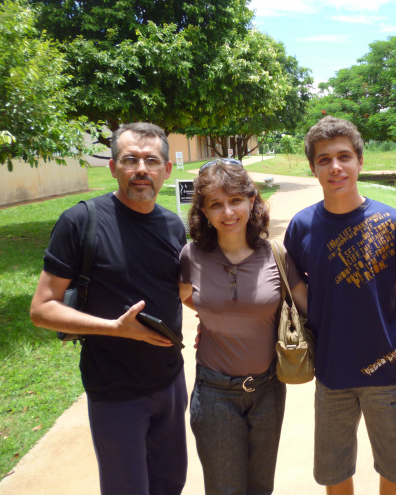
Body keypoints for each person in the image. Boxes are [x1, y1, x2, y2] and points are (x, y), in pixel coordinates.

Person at [30, 123, 188, 495]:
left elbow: (182, 291)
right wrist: (115, 328)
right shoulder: (81, 221)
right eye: (130, 159)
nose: (141, 170)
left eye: (151, 160)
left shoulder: (172, 225)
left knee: (170, 483)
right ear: (113, 166)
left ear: (166, 170)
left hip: (170, 381)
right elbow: (42, 309)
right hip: (115, 390)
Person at [284, 116, 396, 495]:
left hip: (388, 370)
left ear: (360, 162)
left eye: (344, 156)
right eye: (324, 159)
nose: (335, 167)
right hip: (332, 373)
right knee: (334, 473)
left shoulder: (392, 222)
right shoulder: (302, 226)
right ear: (313, 168)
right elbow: (294, 285)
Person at [179, 159, 308, 495]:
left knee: (261, 486)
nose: (228, 212)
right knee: (225, 488)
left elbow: (311, 308)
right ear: (204, 212)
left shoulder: (276, 255)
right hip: (215, 392)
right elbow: (185, 297)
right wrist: (214, 319)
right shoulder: (191, 256)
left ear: (252, 201)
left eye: (235, 200)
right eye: (216, 204)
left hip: (268, 390)